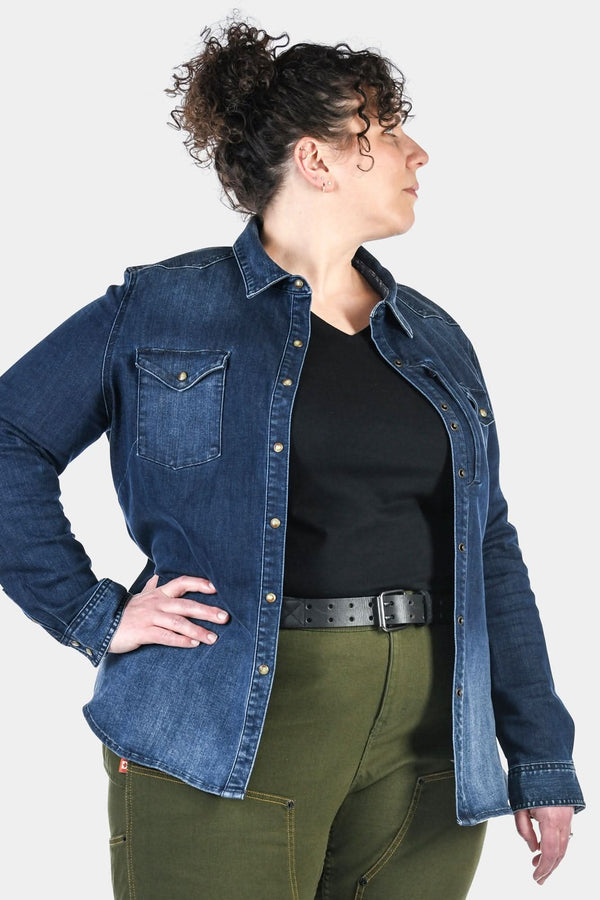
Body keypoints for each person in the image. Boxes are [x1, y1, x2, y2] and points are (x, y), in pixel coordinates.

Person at [0, 14, 585, 900]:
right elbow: (11, 435)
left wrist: (539, 752)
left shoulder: (432, 338)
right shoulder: (161, 310)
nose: (417, 153)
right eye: (387, 130)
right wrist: (92, 614)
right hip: (219, 730)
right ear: (316, 159)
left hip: (430, 747)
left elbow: (489, 547)